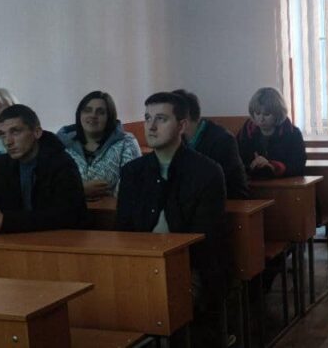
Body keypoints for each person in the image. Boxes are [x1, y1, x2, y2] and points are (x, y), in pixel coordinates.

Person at [116, 92, 227, 345]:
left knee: (162, 305)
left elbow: (206, 242)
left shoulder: (207, 171)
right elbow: (123, 232)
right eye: (147, 118)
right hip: (140, 267)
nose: (151, 126)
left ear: (181, 125)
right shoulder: (133, 172)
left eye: (161, 119)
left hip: (187, 268)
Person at [0, 104, 86, 233]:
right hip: (13, 241)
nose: (8, 142)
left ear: (37, 132)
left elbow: (68, 215)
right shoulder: (2, 164)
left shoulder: (61, 163)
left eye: (15, 132)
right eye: (3, 135)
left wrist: (5, 221)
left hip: (58, 241)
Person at [57, 91, 141, 200]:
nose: (93, 116)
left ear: (109, 117)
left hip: (112, 209)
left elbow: (131, 189)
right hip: (68, 209)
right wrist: (79, 190)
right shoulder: (60, 144)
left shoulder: (126, 143)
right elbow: (51, 187)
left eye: (100, 112)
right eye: (87, 110)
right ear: (79, 114)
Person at [172, 89, 249, 199]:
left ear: (184, 118)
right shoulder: (177, 140)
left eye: (165, 118)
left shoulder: (222, 140)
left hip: (228, 200)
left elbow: (219, 184)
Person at [236, 87, 307, 179]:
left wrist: (272, 166)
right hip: (251, 183)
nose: (261, 119)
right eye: (257, 113)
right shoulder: (245, 132)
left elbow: (298, 166)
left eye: (266, 114)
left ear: (277, 114)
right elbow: (236, 161)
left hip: (283, 184)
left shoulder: (293, 134)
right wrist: (253, 165)